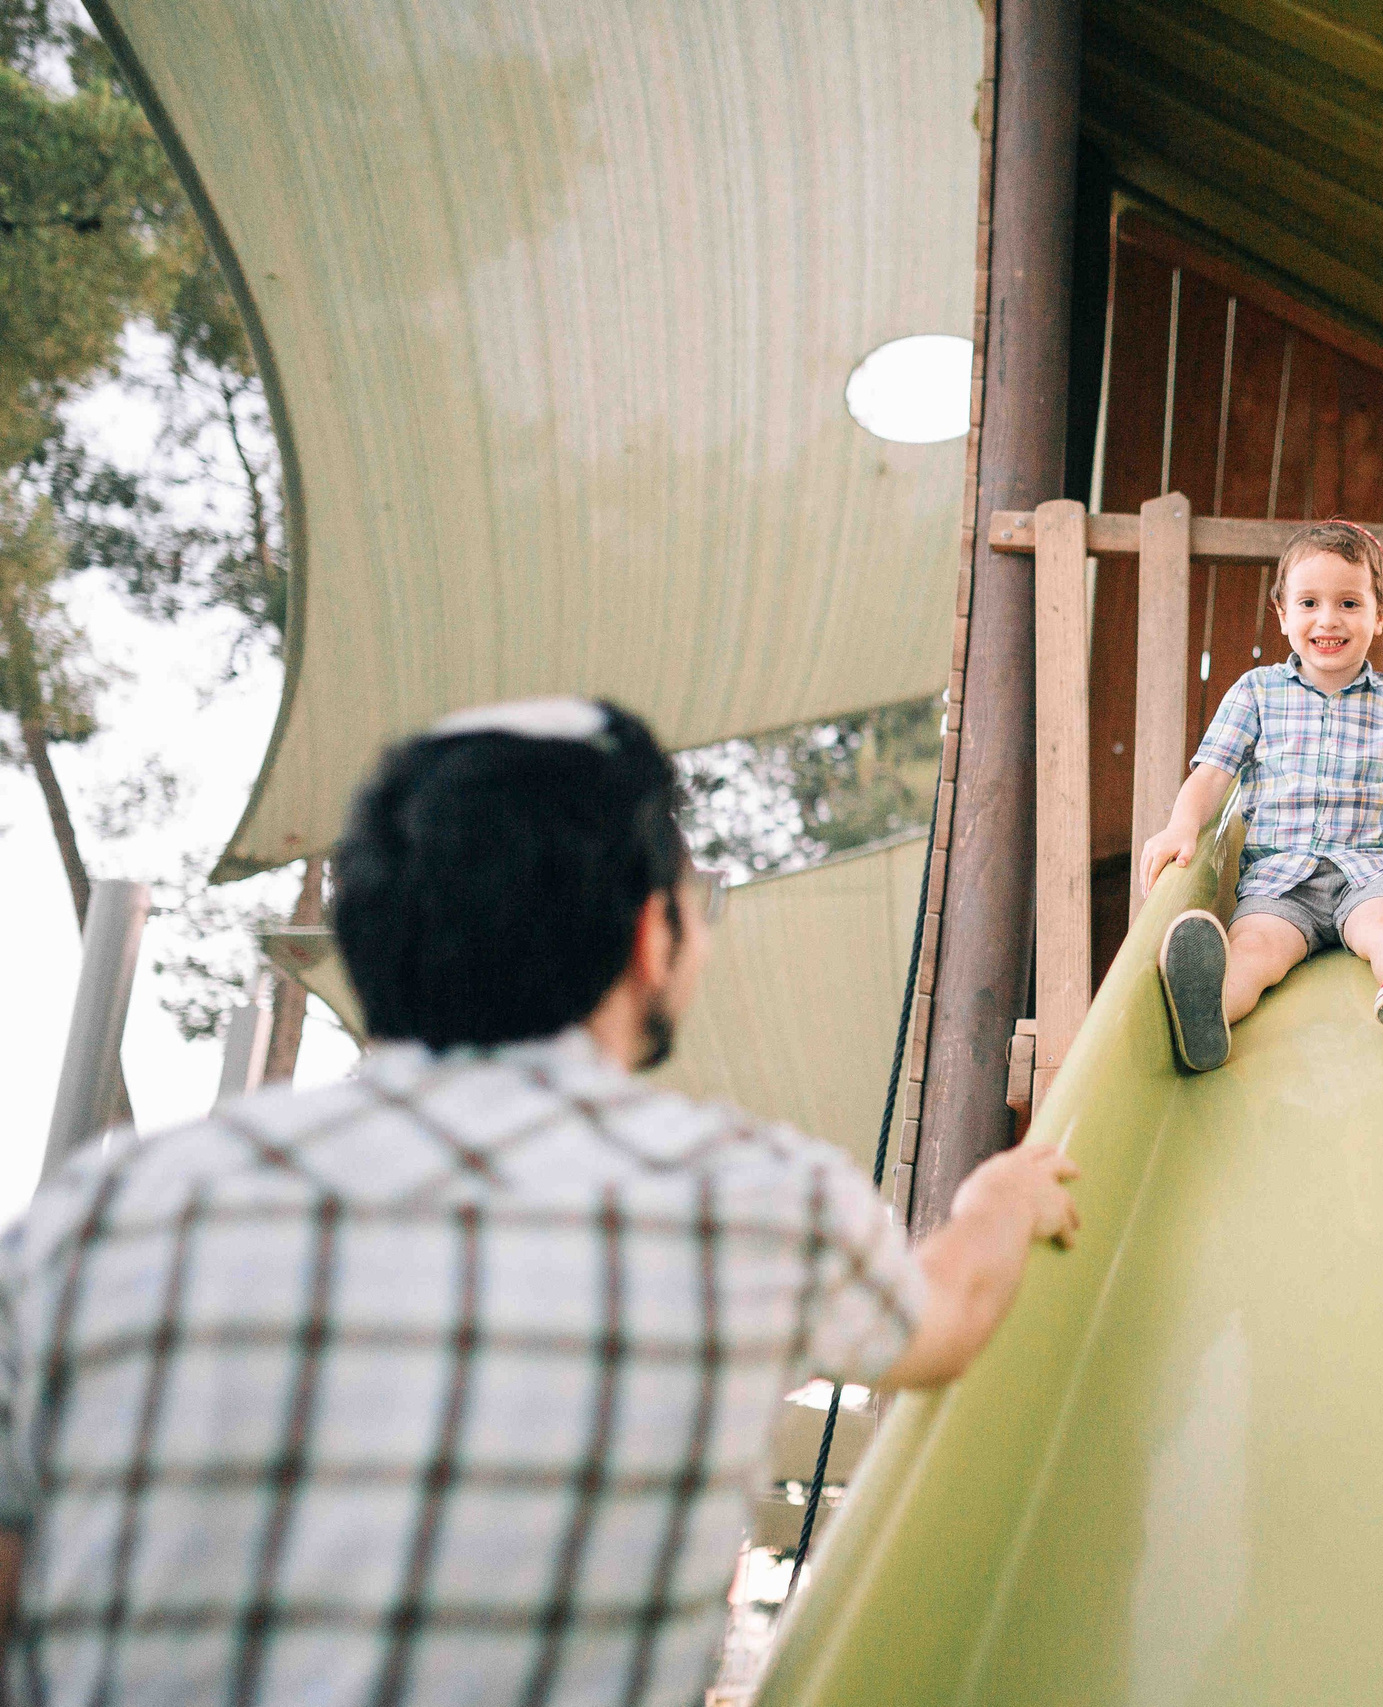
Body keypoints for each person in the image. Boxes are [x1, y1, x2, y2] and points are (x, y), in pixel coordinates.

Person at [0, 696, 1077, 1706]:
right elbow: (948, 1316)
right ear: (651, 938)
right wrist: (1003, 1194)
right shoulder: (747, 1204)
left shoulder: (104, 1213)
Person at [1136, 520, 1383, 1072]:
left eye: (1349, 603)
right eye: (1309, 603)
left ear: (1380, 614)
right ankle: (1211, 1010)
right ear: (1283, 614)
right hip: (1280, 880)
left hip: (1370, 872)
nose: (1328, 619)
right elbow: (1210, 776)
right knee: (1255, 949)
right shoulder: (1256, 692)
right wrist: (1182, 826)